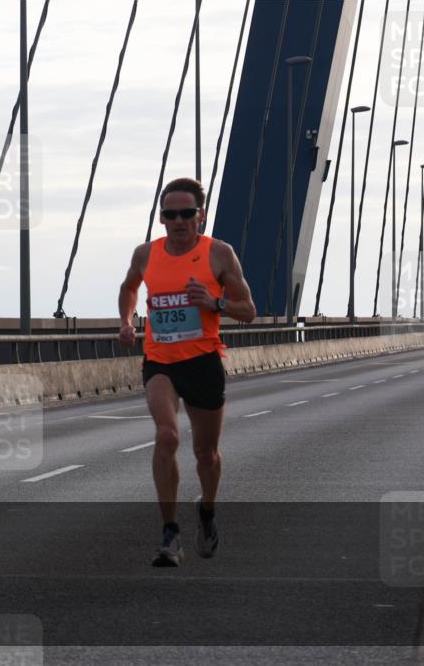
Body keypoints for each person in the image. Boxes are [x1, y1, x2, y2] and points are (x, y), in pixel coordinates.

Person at [118, 177, 256, 566]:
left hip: (203, 362)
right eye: (169, 214)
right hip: (160, 360)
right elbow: (129, 288)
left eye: (186, 214)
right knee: (166, 435)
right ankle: (169, 532)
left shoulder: (219, 254)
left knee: (206, 453)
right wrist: (127, 322)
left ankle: (207, 511)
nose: (178, 222)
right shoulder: (146, 254)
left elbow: (249, 311)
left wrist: (215, 302)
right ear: (161, 218)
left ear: (201, 215)